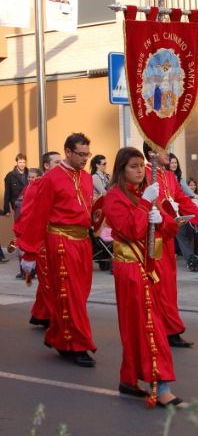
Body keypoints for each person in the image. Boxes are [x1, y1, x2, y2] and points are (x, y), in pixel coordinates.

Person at [104, 147, 182, 407]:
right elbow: (131, 230)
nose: (140, 170)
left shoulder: (145, 192)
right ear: (121, 169)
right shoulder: (114, 197)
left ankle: (128, 379)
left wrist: (160, 218)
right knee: (150, 325)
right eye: (133, 166)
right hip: (130, 267)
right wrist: (147, 205)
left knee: (137, 324)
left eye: (141, 165)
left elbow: (171, 228)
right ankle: (161, 387)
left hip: (150, 265)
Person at [16, 133, 96, 367]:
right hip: (60, 241)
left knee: (79, 294)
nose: (84, 159)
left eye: (87, 154)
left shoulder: (88, 178)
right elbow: (38, 215)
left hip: (83, 242)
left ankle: (60, 338)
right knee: (70, 295)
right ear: (68, 152)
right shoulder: (51, 179)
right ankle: (79, 345)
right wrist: (29, 252)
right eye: (80, 154)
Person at [143, 142, 198, 348]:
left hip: (167, 237)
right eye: (164, 149)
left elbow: (185, 203)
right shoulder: (142, 174)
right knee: (156, 285)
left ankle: (171, 329)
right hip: (151, 239)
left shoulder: (170, 176)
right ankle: (155, 329)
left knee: (169, 286)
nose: (169, 153)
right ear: (152, 153)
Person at [14, 152, 62, 325]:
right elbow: (27, 216)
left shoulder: (64, 182)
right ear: (46, 166)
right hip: (42, 240)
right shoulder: (37, 185)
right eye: (57, 162)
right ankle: (53, 318)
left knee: (51, 281)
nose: (62, 164)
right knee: (50, 281)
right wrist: (28, 247)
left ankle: (41, 313)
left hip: (61, 241)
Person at [3, 153, 28, 218]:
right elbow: (7, 194)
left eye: (24, 162)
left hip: (29, 204)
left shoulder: (30, 174)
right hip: (17, 206)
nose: (22, 164)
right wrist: (7, 210)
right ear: (16, 162)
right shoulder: (10, 176)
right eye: (20, 162)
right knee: (19, 226)